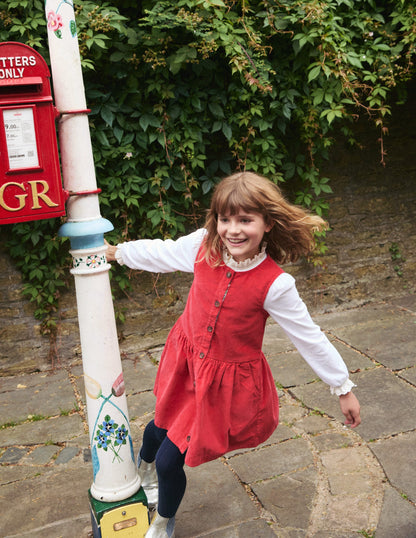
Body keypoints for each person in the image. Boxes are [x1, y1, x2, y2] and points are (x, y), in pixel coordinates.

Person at [105, 171, 361, 538]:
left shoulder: (276, 284)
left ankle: (163, 522)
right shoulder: (202, 246)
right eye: (225, 219)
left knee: (169, 458)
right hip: (185, 362)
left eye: (245, 220)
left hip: (219, 383)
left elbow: (310, 337)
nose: (233, 230)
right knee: (157, 429)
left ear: (267, 223)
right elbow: (161, 251)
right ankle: (142, 468)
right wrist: (119, 252)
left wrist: (342, 387)